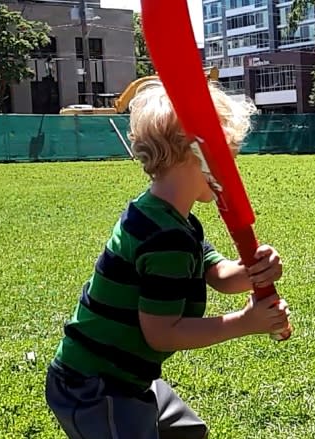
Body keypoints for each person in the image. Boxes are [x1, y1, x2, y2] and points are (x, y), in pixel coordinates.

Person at [44, 80, 291, 439]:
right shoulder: (164, 236)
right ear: (196, 155)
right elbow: (162, 333)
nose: (232, 172)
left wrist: (254, 269)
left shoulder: (172, 218)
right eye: (228, 157)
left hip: (130, 378)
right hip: (96, 385)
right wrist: (244, 321)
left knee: (188, 434)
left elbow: (219, 274)